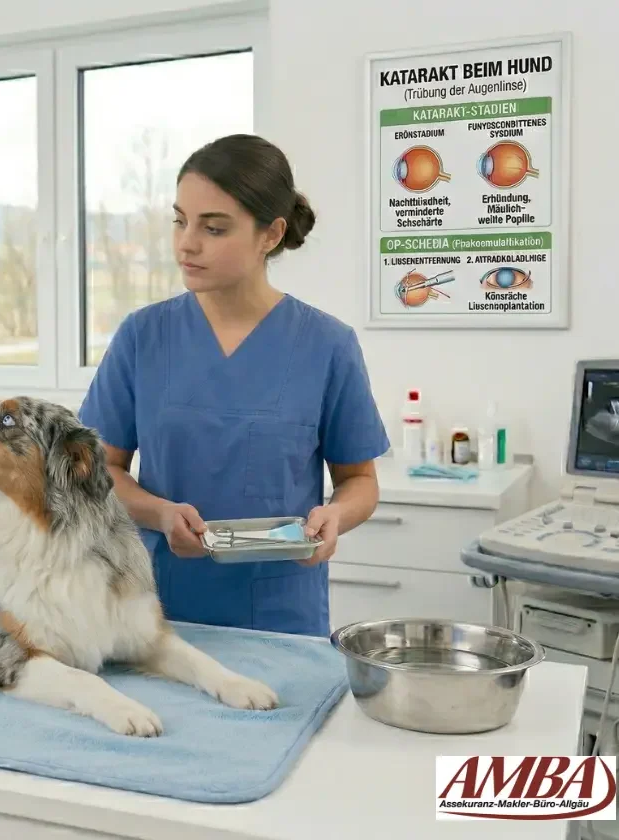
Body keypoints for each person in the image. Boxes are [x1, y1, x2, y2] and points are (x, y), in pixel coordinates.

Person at [78, 134, 389, 639]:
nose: (186, 243)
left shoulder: (327, 345)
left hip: (280, 610)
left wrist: (336, 516)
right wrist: (158, 512)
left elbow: (361, 480)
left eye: (214, 228)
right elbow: (97, 469)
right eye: (180, 221)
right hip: (156, 606)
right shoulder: (143, 336)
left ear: (270, 234)